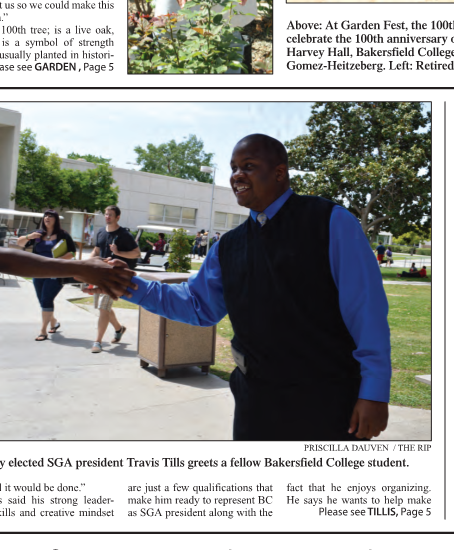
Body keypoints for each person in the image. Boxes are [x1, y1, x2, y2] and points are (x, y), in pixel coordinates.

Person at [115, 136, 392, 442]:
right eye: (233, 168)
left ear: (279, 172)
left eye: (248, 166)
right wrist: (125, 284)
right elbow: (197, 305)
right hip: (255, 400)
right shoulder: (228, 246)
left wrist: (375, 393)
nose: (236, 175)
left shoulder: (330, 221)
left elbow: (367, 313)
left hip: (326, 398)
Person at [0, 112, 116, 398]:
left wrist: (78, 267)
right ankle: (49, 324)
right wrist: (84, 269)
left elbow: (1, 255)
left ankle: (47, 326)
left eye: (51, 217)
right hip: (39, 275)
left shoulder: (61, 237)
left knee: (47, 303)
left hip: (53, 276)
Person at [16, 209, 78, 340]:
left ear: (56, 219)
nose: (47, 218)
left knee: (46, 300)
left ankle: (43, 331)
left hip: (56, 273)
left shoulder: (63, 235)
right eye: (45, 216)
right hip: (38, 273)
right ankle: (54, 322)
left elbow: (72, 253)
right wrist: (28, 237)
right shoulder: (38, 234)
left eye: (50, 216)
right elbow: (19, 243)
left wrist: (58, 260)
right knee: (42, 301)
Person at [86, 205, 140, 352]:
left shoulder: (124, 234)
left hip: (115, 278)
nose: (107, 216)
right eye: (106, 214)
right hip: (100, 276)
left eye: (110, 214)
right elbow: (97, 250)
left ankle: (97, 342)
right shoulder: (101, 232)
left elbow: (137, 253)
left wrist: (118, 252)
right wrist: (86, 264)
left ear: (117, 217)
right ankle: (119, 329)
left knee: (103, 308)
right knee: (103, 308)